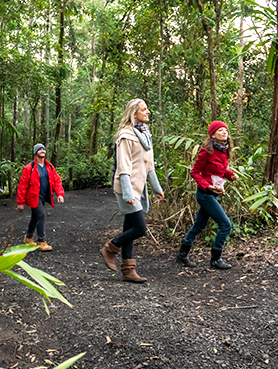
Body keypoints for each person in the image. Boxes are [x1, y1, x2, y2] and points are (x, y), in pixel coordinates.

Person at [100, 99, 164, 283]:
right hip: (126, 188)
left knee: (129, 227)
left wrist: (156, 189)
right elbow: (123, 167)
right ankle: (110, 248)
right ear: (133, 113)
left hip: (139, 187)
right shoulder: (125, 136)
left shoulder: (145, 135)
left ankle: (128, 270)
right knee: (140, 228)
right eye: (144, 109)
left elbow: (149, 166)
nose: (148, 112)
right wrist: (128, 195)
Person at [174, 120, 239, 269]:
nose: (224, 132)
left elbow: (219, 171)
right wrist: (207, 185)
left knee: (199, 225)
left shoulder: (224, 150)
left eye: (225, 130)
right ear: (213, 134)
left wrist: (230, 175)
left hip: (213, 194)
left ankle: (182, 255)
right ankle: (215, 260)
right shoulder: (207, 151)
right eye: (220, 130)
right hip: (205, 194)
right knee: (225, 225)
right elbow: (195, 172)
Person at [16, 143, 65, 251]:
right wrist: (20, 202)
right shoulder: (29, 168)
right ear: (35, 152)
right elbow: (22, 185)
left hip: (43, 196)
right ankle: (41, 241)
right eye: (40, 149)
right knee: (41, 215)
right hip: (33, 197)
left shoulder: (49, 167)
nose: (42, 150)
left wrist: (60, 194)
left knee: (35, 217)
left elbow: (57, 181)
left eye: (43, 149)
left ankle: (28, 238)